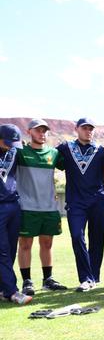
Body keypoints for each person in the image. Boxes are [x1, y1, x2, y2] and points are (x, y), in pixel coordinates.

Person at [56, 117, 104, 292]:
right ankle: (86, 278)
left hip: (98, 200)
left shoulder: (101, 150)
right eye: (85, 128)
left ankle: (94, 277)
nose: (88, 131)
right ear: (76, 129)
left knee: (97, 239)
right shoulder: (65, 148)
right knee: (77, 237)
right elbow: (48, 158)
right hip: (76, 202)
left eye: (91, 128)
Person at [16, 119, 67, 295]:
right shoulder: (20, 152)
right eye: (38, 131)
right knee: (25, 245)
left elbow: (72, 165)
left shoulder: (53, 153)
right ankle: (27, 281)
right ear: (29, 131)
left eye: (44, 131)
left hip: (49, 208)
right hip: (26, 207)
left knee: (47, 243)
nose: (42, 134)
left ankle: (48, 279)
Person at [0, 124, 32, 304]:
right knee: (2, 251)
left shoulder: (14, 151)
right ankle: (13, 292)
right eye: (7, 142)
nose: (11, 146)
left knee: (11, 249)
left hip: (13, 205)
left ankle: (3, 289)